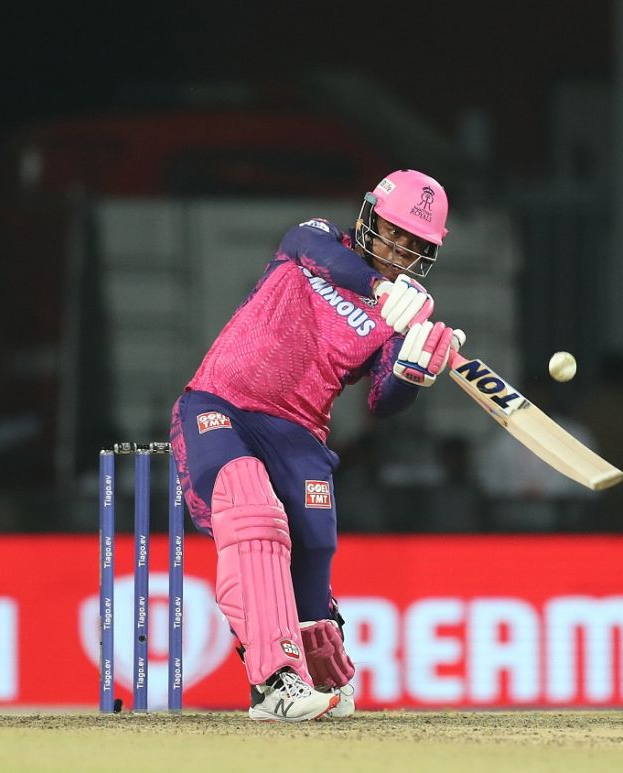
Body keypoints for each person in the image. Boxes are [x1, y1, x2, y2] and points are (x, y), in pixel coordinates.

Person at [169, 169, 465, 722]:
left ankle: (318, 674)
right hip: (220, 404)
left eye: (414, 243)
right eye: (393, 231)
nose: (399, 248)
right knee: (254, 517)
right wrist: (379, 289)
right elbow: (306, 246)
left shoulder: (409, 314)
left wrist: (414, 367)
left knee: (314, 544)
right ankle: (274, 682)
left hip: (298, 432)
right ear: (369, 217)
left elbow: (383, 400)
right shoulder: (319, 239)